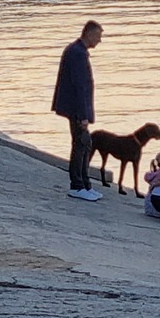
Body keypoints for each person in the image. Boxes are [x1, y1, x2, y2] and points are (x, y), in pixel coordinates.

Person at [52, 20, 105, 200]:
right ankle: (77, 185)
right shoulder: (78, 54)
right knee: (80, 145)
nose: (99, 40)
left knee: (85, 144)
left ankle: (85, 184)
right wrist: (83, 116)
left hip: (74, 107)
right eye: (98, 36)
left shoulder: (77, 51)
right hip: (75, 108)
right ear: (89, 34)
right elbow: (80, 86)